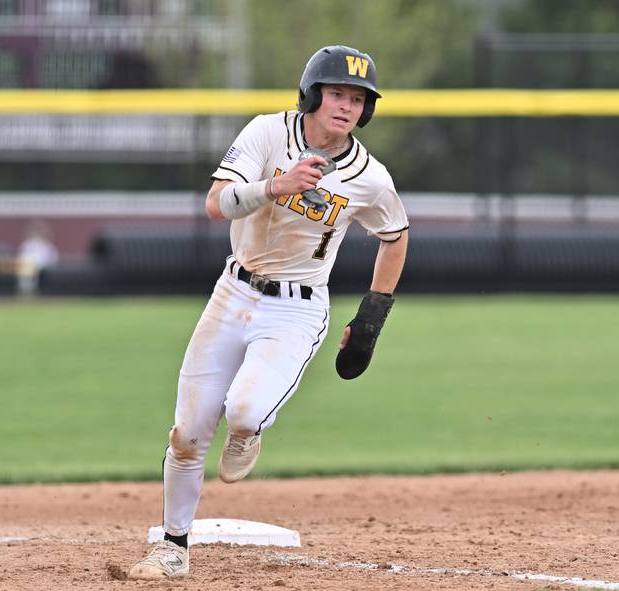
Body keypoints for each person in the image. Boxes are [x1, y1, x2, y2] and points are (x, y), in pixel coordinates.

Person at [128, 45, 409, 580]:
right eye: (337, 93)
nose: (347, 106)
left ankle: (250, 431)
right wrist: (277, 185)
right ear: (312, 93)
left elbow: (395, 238)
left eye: (357, 98)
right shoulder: (267, 133)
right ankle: (172, 546)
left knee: (245, 410)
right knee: (187, 433)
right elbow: (216, 203)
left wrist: (371, 318)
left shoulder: (368, 177)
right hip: (232, 293)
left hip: (296, 310)